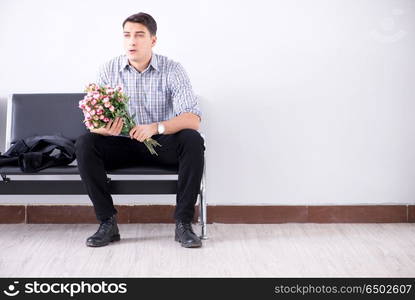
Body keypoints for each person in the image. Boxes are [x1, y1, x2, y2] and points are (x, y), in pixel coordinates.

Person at [75, 12, 205, 248]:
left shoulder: (173, 70)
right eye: (127, 36)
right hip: (122, 144)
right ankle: (107, 223)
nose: (132, 41)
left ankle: (183, 224)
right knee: (85, 143)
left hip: (161, 144)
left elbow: (193, 118)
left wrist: (157, 127)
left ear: (153, 40)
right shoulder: (109, 69)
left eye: (139, 35)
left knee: (192, 139)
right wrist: (105, 130)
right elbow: (92, 122)